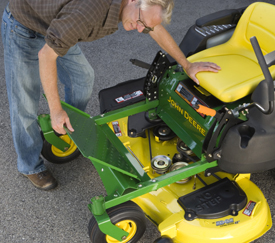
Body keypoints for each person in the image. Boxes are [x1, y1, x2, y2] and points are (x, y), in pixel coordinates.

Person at [1, 0, 220, 191]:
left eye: (144, 26)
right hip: (25, 26)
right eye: (139, 22)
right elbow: (46, 56)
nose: (138, 29)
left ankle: (65, 127)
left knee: (83, 77)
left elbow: (153, 27)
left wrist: (187, 64)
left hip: (59, 25)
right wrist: (55, 110)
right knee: (24, 99)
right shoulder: (89, 12)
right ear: (133, 0)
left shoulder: (135, 11)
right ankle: (29, 165)